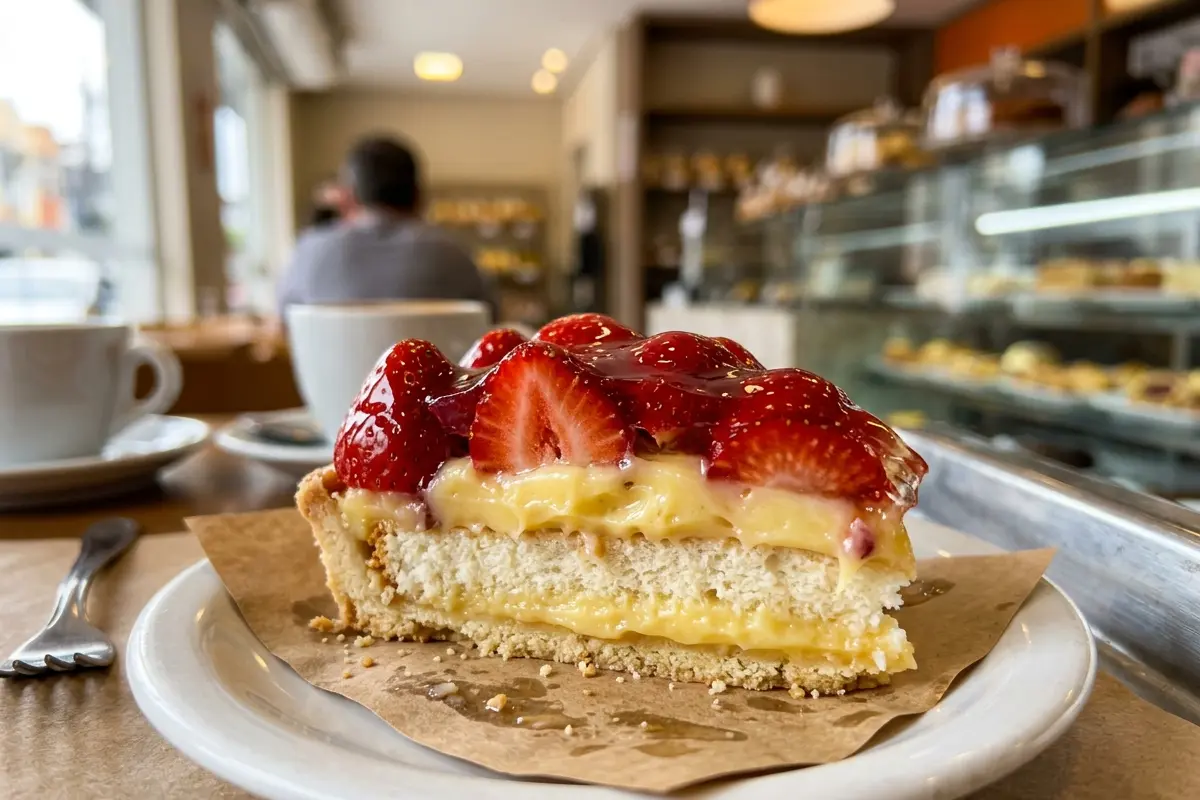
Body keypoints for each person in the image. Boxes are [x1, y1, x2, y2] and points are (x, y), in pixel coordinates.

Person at [278, 135, 491, 314]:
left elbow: (284, 325)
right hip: (429, 365)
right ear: (418, 196)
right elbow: (490, 320)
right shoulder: (455, 254)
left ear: (349, 197)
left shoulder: (309, 251)